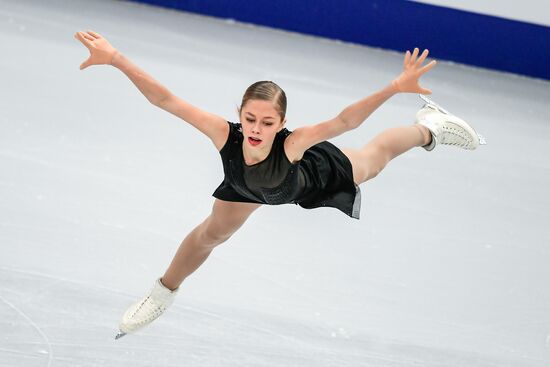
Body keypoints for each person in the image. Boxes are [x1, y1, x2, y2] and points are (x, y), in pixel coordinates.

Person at [74, 30, 482, 339]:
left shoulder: (294, 144)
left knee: (375, 160)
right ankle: (161, 293)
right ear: (240, 114)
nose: (256, 129)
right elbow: (165, 100)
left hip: (307, 180)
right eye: (250, 119)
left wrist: (394, 87)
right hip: (246, 186)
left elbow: (345, 122)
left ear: (282, 124)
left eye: (268, 123)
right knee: (210, 234)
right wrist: (116, 59)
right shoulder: (225, 134)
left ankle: (428, 128)